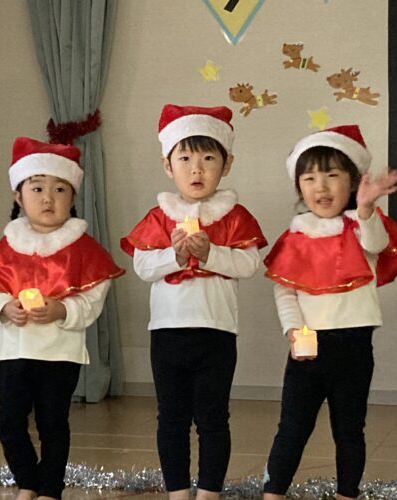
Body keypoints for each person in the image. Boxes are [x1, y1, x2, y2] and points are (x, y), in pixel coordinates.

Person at [262, 125, 397, 499]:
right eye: (310, 178)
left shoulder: (362, 226)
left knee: (349, 430)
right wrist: (293, 331)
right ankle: (272, 493)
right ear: (299, 186)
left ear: (352, 182)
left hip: (353, 345)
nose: (321, 186)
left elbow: (376, 244)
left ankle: (346, 493)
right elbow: (285, 291)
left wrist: (366, 208)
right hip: (307, 346)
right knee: (292, 428)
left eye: (332, 175)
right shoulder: (297, 235)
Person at [121, 104, 267, 500]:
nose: (196, 169)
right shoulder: (158, 217)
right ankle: (178, 492)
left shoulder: (235, 216)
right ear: (167, 166)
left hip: (216, 332)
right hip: (167, 333)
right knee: (171, 418)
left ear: (227, 164)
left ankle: (209, 492)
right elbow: (143, 266)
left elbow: (249, 263)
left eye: (208, 159)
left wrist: (209, 254)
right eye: (185, 159)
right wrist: (177, 255)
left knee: (213, 418)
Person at [0, 137, 124, 500]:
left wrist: (63, 309)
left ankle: (50, 489)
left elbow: (94, 296)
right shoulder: (7, 245)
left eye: (59, 189)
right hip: (15, 350)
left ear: (73, 197)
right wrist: (4, 308)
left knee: (53, 423)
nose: (48, 198)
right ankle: (28, 481)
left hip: (60, 352)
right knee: (7, 421)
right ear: (18, 196)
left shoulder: (83, 248)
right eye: (37, 188)